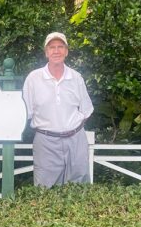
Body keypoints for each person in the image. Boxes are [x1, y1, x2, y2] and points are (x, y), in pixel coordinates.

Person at [22, 32, 94, 188]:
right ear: (46, 52)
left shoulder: (76, 78)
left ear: (66, 51)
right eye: (52, 47)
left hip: (76, 140)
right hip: (45, 140)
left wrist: (71, 128)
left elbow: (86, 110)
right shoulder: (33, 78)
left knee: (80, 189)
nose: (56, 51)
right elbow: (26, 112)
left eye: (60, 47)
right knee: (45, 190)